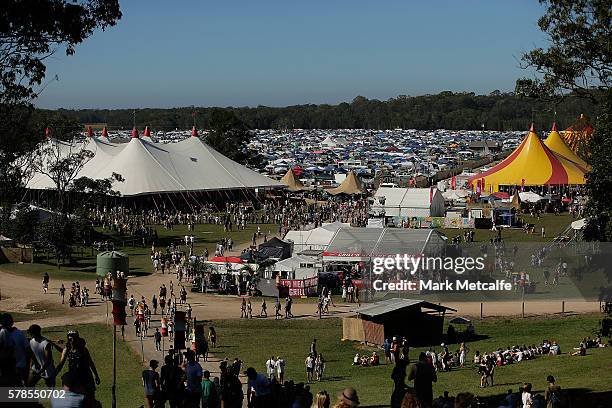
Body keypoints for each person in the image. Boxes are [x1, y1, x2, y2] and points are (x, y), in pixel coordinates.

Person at [55, 331, 100, 401]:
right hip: (74, 377)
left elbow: (91, 363)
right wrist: (54, 374)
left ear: (77, 339)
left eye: (74, 339)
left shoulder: (83, 350)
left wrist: (96, 376)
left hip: (86, 376)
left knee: (90, 397)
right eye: (70, 339)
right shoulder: (66, 350)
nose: (72, 341)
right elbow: (61, 364)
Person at [0, 313, 31, 383]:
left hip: (19, 366)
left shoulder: (18, 333)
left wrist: (27, 368)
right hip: (8, 368)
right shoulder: (3, 333)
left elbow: (28, 351)